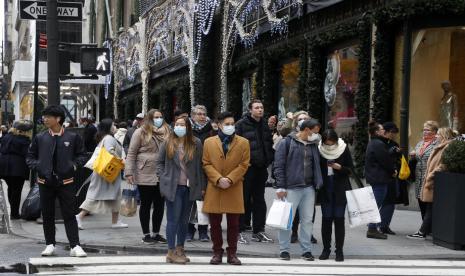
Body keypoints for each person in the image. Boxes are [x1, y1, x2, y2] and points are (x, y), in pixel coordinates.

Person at [26, 105, 87, 257]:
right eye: (44, 116)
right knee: (47, 214)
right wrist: (39, 167)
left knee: (69, 214)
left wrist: (72, 166)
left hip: (66, 182)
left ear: (58, 119)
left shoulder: (72, 137)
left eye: (48, 116)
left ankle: (75, 246)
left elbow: (82, 156)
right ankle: (50, 244)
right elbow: (30, 157)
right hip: (45, 182)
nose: (45, 119)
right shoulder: (40, 137)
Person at [202, 111, 250, 265]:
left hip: (233, 186)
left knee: (234, 224)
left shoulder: (243, 142)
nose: (230, 126)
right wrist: (218, 179)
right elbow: (206, 163)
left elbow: (244, 164)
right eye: (227, 124)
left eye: (232, 124)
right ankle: (217, 252)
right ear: (219, 125)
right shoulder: (209, 142)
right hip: (215, 186)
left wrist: (229, 179)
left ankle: (232, 253)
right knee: (214, 223)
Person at [156, 116, 206, 264]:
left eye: (182, 125)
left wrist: (202, 186)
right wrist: (163, 178)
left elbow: (200, 166)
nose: (179, 127)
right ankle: (170, 251)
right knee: (173, 220)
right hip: (173, 187)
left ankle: (180, 249)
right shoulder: (168, 142)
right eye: (177, 124)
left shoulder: (196, 143)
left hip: (189, 187)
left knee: (185, 221)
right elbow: (159, 163)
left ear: (188, 127)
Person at [273, 119, 323, 261]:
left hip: (309, 188)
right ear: (306, 130)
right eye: (314, 132)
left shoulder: (313, 145)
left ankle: (306, 250)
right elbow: (279, 166)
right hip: (291, 188)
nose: (316, 135)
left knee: (307, 220)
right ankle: (284, 250)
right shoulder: (287, 143)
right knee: (286, 220)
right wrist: (281, 186)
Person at [125, 109, 170, 244]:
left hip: (162, 173)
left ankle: (156, 233)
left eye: (161, 116)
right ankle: (146, 234)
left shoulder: (168, 131)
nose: (159, 119)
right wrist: (128, 172)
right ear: (150, 118)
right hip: (145, 172)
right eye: (156, 117)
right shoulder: (140, 132)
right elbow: (131, 153)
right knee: (145, 204)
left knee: (160, 205)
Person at [76, 118, 128, 230]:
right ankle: (79, 216)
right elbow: (110, 151)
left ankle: (115, 221)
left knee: (115, 196)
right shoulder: (109, 138)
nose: (115, 127)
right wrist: (121, 160)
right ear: (108, 127)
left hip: (109, 172)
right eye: (113, 125)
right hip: (106, 173)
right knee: (95, 196)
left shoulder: (106, 138)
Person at [235, 99, 274, 244]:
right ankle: (238, 231)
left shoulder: (264, 124)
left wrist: (268, 159)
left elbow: (268, 143)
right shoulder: (241, 124)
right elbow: (235, 145)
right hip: (246, 168)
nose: (260, 110)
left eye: (261, 107)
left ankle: (259, 231)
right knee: (243, 199)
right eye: (257, 107)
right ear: (250, 110)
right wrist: (243, 163)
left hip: (261, 168)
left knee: (259, 200)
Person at [408, 127, 455, 239]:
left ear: (444, 135)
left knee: (430, 207)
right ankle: (427, 230)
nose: (436, 136)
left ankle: (422, 232)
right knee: (430, 207)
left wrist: (431, 175)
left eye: (438, 134)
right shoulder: (440, 146)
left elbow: (443, 165)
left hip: (436, 181)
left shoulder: (447, 147)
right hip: (432, 180)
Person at [318, 129, 354, 262]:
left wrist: (340, 168)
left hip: (340, 189)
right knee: (326, 220)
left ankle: (339, 251)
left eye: (331, 143)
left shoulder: (343, 148)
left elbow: (350, 169)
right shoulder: (319, 149)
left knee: (339, 220)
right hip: (325, 190)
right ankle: (325, 249)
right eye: (327, 144)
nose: (329, 146)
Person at [187, 105, 216, 242]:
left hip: (207, 168)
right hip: (191, 168)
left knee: (204, 201)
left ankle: (203, 231)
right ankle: (189, 230)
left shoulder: (211, 130)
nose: (202, 116)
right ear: (192, 116)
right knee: (190, 200)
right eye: (199, 114)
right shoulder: (187, 129)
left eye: (204, 114)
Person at [365, 121, 397, 240]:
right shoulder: (378, 144)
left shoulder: (374, 142)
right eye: (382, 129)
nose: (384, 130)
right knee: (376, 204)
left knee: (375, 203)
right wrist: (393, 171)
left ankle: (372, 228)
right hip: (379, 178)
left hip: (376, 177)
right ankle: (372, 229)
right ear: (377, 132)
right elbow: (385, 160)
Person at [0, 120, 33, 219]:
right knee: (17, 190)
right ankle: (14, 214)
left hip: (4, 165)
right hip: (17, 167)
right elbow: (27, 154)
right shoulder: (24, 140)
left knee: (11, 188)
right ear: (24, 131)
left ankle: (13, 211)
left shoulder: (6, 137)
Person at [380, 122, 408, 236]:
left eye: (395, 133)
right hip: (382, 176)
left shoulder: (394, 143)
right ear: (386, 132)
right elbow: (380, 158)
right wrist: (391, 152)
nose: (394, 135)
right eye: (392, 132)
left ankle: (384, 225)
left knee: (390, 201)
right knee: (381, 201)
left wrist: (398, 153)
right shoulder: (378, 143)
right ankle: (378, 224)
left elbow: (398, 159)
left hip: (393, 176)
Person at [409, 121, 439, 221]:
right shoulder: (420, 143)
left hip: (430, 177)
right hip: (419, 178)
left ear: (434, 131)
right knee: (421, 202)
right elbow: (417, 158)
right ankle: (424, 226)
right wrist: (413, 157)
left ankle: (429, 228)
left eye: (428, 130)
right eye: (424, 130)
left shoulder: (437, 144)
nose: (425, 132)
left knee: (429, 203)